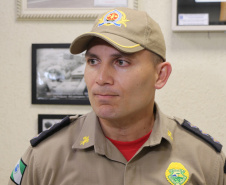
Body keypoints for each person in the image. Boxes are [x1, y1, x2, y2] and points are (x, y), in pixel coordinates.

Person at [9, 7, 226, 185]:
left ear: (160, 75)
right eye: (93, 61)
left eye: (121, 62)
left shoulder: (205, 162)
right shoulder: (45, 157)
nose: (101, 78)